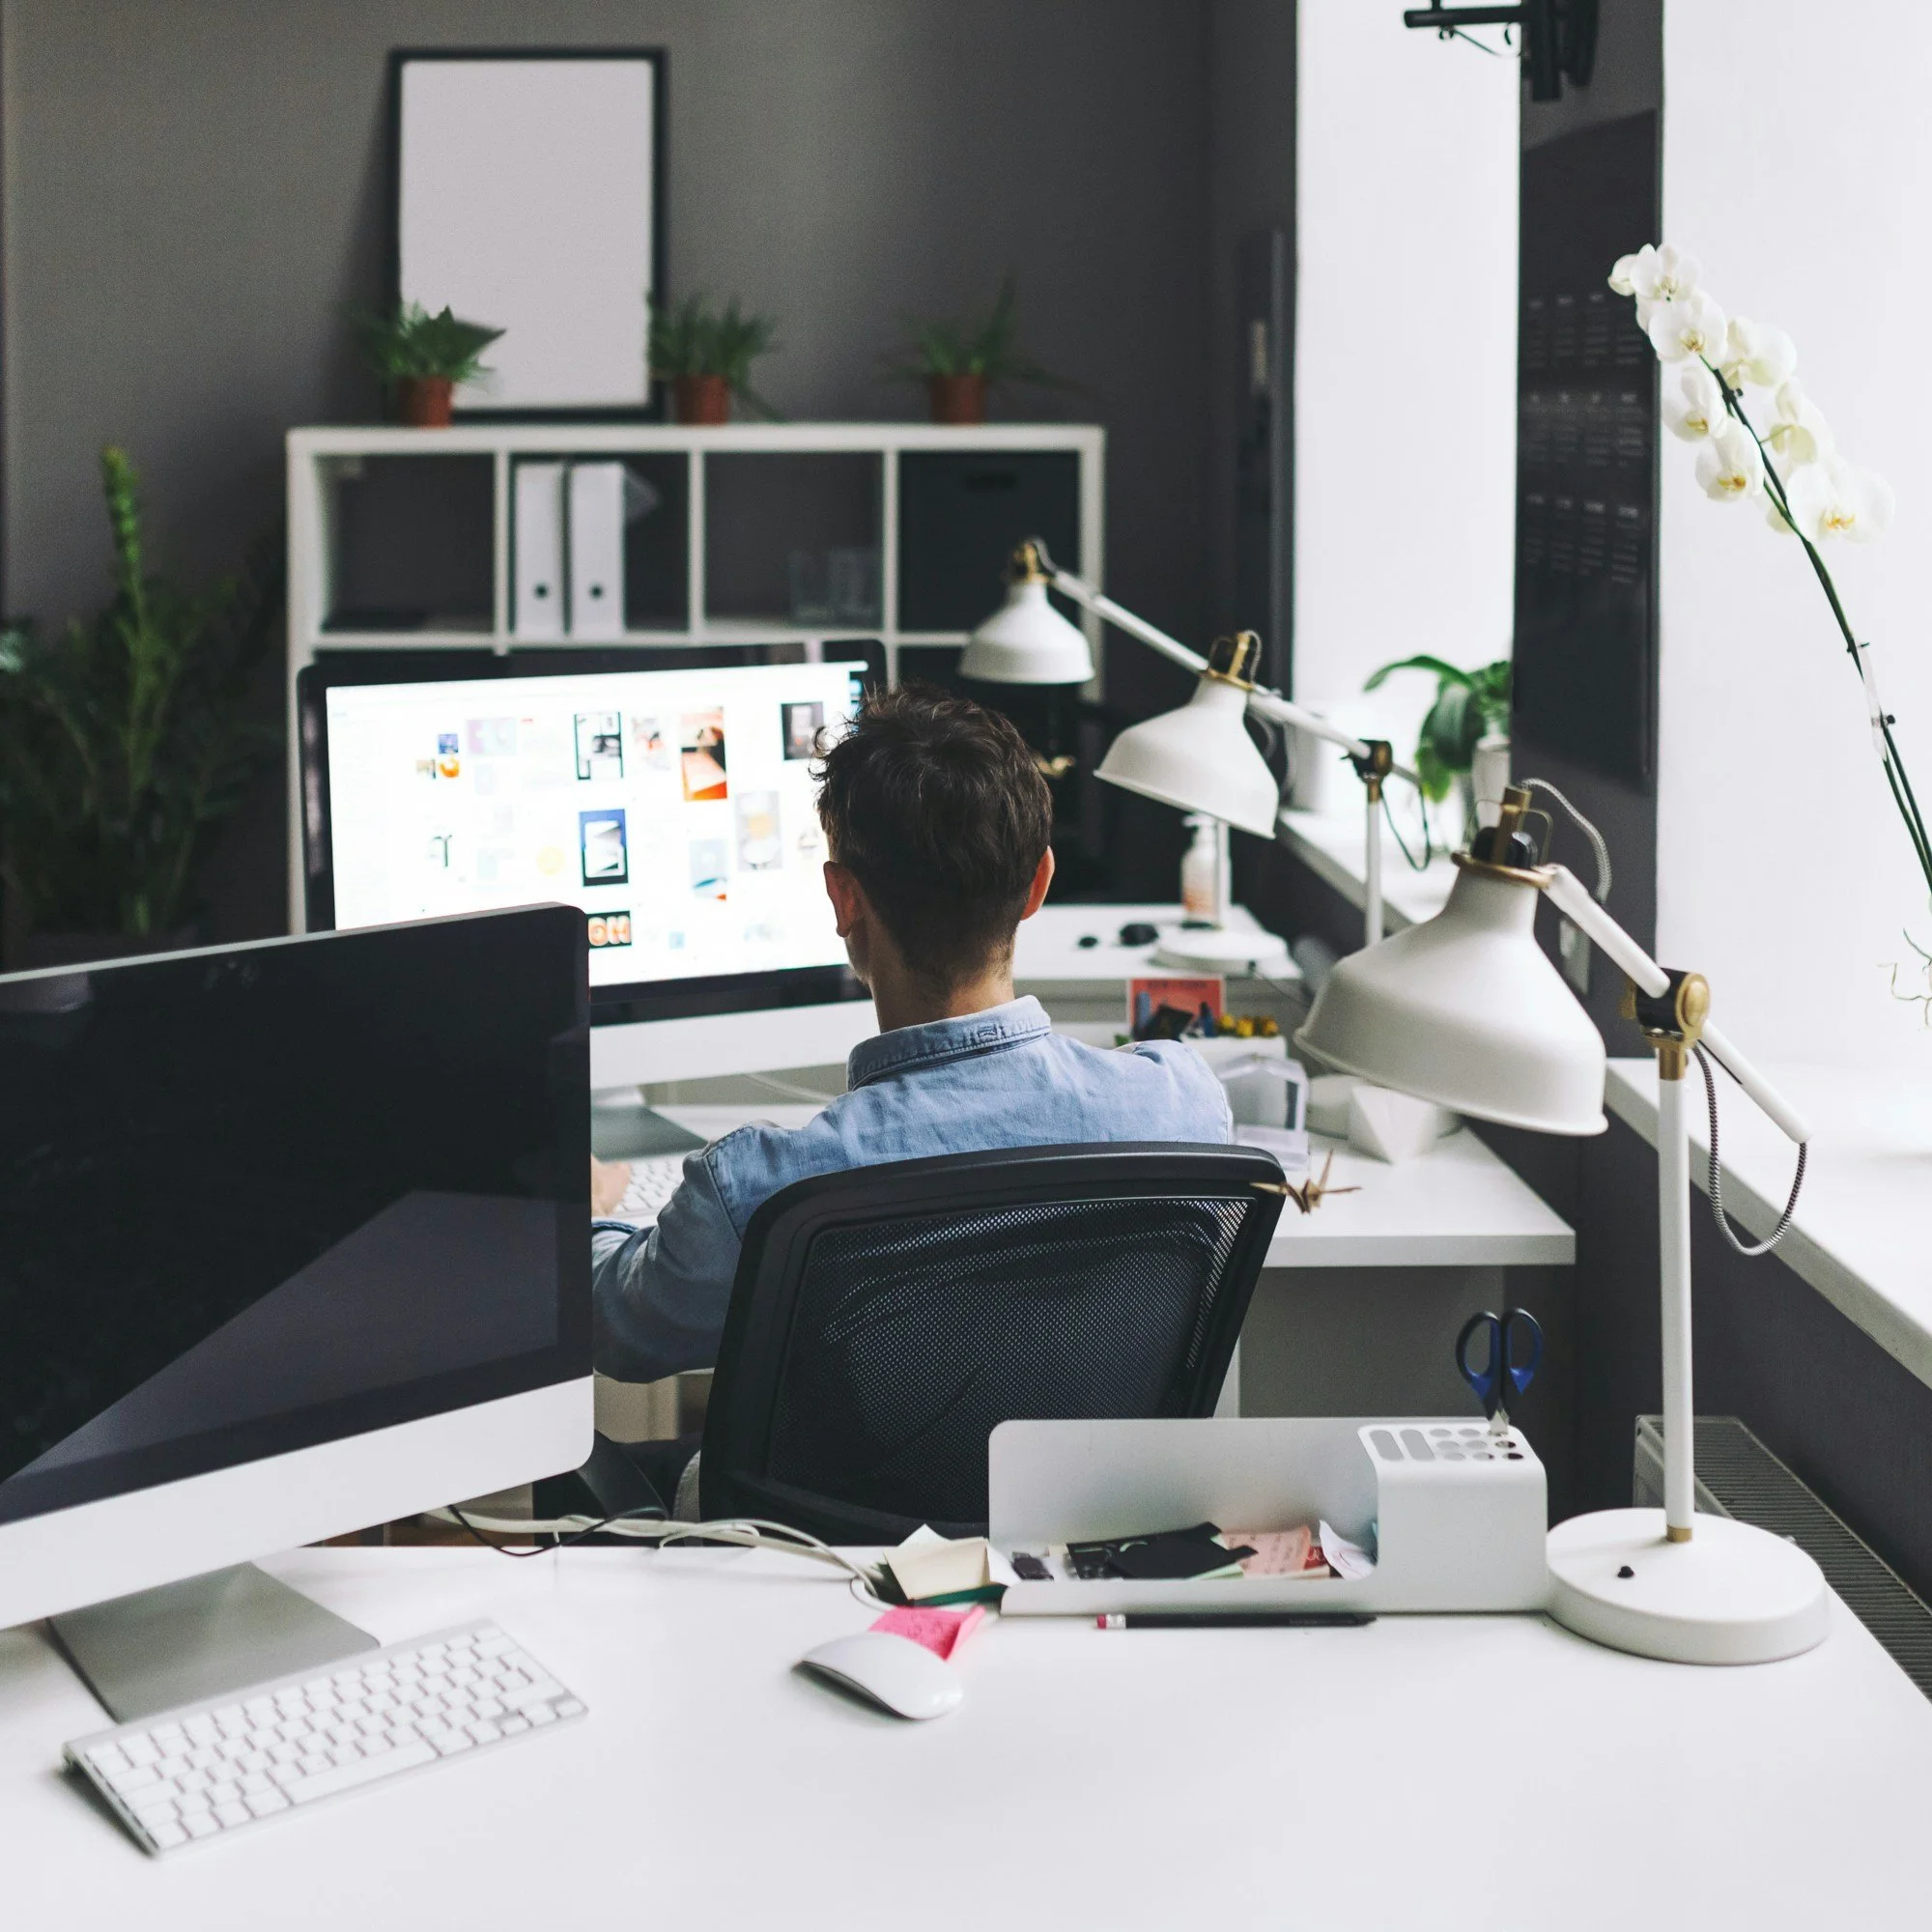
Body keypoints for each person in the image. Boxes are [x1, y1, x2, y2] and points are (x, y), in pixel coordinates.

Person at [588, 687, 1232, 1491]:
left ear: (844, 898)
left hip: (822, 1564)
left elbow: (617, 1334)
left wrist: (596, 1214)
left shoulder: (758, 1187)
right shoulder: (1181, 1106)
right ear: (1038, 885)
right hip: (1063, 1554)